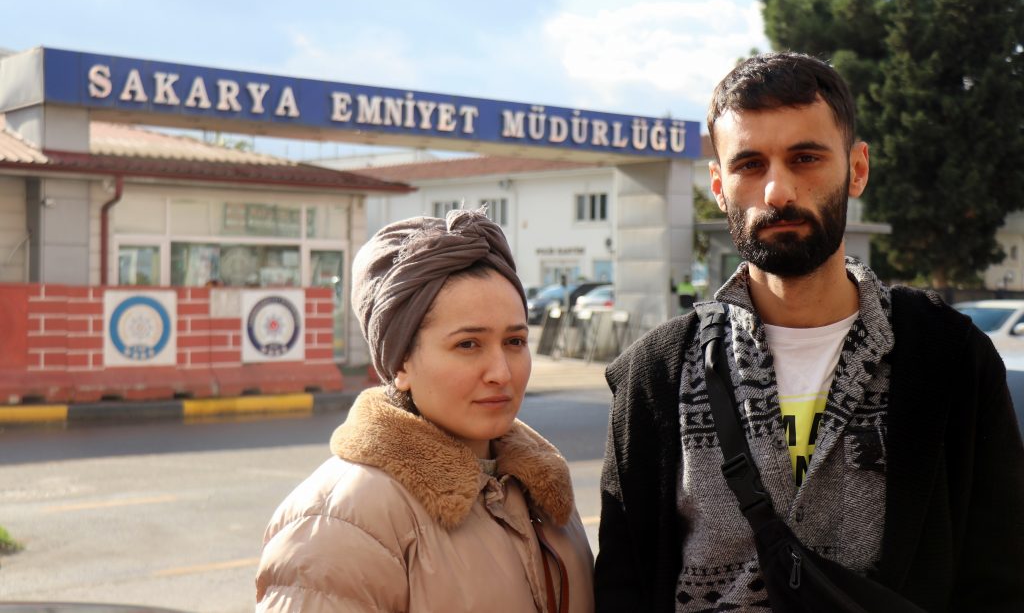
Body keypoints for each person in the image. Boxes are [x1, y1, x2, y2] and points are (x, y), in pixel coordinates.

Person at [595, 52, 1024, 611]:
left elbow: (1000, 576)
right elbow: (623, 587)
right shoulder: (656, 375)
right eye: (750, 164)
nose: (778, 191)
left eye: (805, 158)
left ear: (857, 169)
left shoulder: (949, 356)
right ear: (719, 185)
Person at [256, 208, 594, 612]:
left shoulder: (542, 490)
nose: (502, 373)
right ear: (401, 364)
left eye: (515, 342)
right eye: (468, 344)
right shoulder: (340, 521)